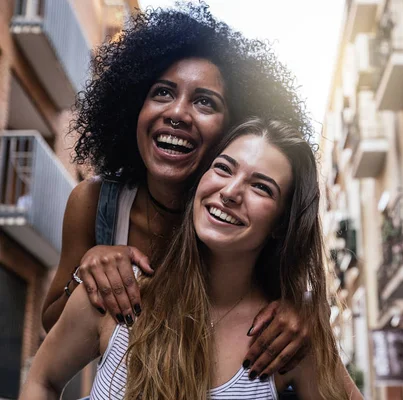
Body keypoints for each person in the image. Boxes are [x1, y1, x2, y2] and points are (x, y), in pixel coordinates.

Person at [41, 4, 312, 380]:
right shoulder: (94, 202)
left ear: (233, 129)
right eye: (163, 92)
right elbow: (52, 326)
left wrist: (303, 310)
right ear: (135, 106)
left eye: (205, 101)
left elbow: (294, 286)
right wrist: (88, 271)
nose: (178, 113)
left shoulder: (238, 216)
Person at [21, 118, 362, 400]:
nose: (230, 192)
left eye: (261, 187)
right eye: (223, 168)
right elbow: (42, 380)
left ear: (281, 224)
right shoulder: (118, 294)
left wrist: (309, 306)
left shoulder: (287, 338)